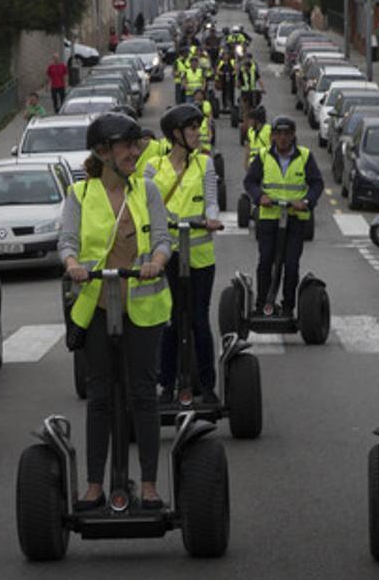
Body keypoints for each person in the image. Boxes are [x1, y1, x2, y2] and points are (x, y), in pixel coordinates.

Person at [58, 112, 172, 511]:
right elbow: (67, 241)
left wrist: (157, 260)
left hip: (142, 307)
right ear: (103, 151)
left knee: (143, 394)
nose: (135, 151)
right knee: (100, 396)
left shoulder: (147, 190)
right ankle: (94, 485)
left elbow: (162, 239)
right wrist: (72, 264)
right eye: (126, 145)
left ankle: (149, 483)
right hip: (97, 305)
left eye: (136, 144)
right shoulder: (80, 195)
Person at [144, 104, 224, 404]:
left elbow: (211, 200)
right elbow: (151, 206)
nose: (197, 133)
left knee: (199, 321)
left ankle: (207, 386)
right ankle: (167, 386)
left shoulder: (206, 164)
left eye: (197, 128)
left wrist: (211, 218)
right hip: (169, 255)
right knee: (171, 320)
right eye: (191, 128)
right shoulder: (154, 167)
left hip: (201, 256)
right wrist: (169, 219)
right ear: (176, 134)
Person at [243, 115, 324, 315]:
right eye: (278, 134)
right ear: (272, 136)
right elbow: (250, 181)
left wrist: (305, 202)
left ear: (293, 135)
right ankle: (263, 304)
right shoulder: (263, 156)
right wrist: (259, 196)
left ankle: (288, 306)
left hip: (295, 219)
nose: (282, 138)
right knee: (265, 261)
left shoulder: (304, 156)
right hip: (269, 217)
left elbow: (317, 183)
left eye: (287, 133)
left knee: (291, 264)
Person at [242, 106, 271, 171]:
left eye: (250, 120)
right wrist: (245, 163)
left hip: (265, 163)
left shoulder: (269, 130)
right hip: (253, 163)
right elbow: (248, 149)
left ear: (257, 120)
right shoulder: (250, 131)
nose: (249, 122)